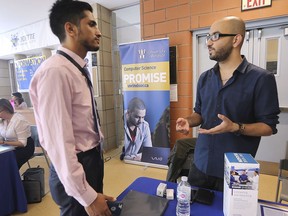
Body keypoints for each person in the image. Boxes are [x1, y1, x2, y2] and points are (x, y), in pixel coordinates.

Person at [176, 16, 280, 191]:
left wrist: (235, 127)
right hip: (201, 164)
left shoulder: (262, 79)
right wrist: (189, 121)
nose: (208, 42)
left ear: (236, 39)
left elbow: (268, 127)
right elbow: (199, 113)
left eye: (215, 36)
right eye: (208, 37)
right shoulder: (205, 78)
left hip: (238, 171)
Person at [29, 0, 114, 215]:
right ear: (71, 28)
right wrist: (86, 195)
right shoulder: (56, 72)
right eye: (92, 24)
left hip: (90, 160)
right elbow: (59, 143)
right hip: (76, 166)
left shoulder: (76, 68)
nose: (99, 32)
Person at [0, 98, 34, 169]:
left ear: (6, 109)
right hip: (9, 146)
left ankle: (11, 179)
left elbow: (22, 143)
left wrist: (3, 142)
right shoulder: (3, 121)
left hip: (24, 148)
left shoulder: (19, 120)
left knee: (6, 162)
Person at [122, 97, 152, 161]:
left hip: (135, 163)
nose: (141, 121)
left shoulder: (145, 126)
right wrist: (134, 158)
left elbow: (149, 151)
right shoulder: (119, 124)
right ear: (128, 113)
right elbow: (119, 155)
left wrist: (134, 158)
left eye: (143, 117)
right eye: (137, 117)